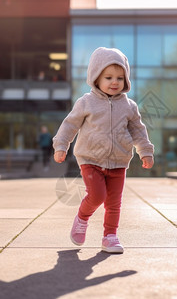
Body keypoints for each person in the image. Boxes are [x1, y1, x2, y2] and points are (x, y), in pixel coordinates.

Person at [53, 47, 154, 254]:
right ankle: (82, 218)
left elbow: (138, 130)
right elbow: (69, 125)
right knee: (97, 196)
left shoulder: (129, 106)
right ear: (96, 78)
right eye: (108, 77)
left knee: (114, 203)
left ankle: (110, 236)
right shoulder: (86, 102)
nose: (114, 82)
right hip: (90, 159)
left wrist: (145, 150)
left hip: (118, 161)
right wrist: (61, 145)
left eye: (119, 77)